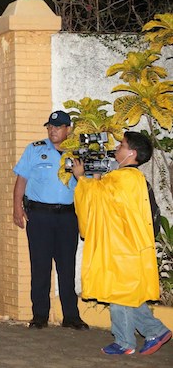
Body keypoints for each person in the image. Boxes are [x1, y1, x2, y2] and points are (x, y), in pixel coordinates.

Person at [73, 131, 171, 355]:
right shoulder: (128, 178)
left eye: (122, 145)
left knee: (119, 294)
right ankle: (155, 331)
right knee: (126, 294)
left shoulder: (124, 179)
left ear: (132, 153)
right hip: (125, 246)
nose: (117, 148)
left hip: (123, 248)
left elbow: (96, 201)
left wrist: (81, 178)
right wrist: (96, 178)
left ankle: (125, 342)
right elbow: (106, 202)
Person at [12, 110, 89, 330]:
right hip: (40, 216)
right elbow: (21, 180)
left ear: (68, 129)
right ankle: (39, 315)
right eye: (50, 127)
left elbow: (89, 183)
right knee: (40, 266)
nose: (52, 130)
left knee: (67, 267)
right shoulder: (35, 149)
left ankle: (71, 316)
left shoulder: (78, 153)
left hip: (68, 217)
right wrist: (17, 207)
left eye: (57, 127)